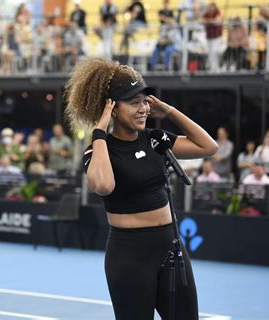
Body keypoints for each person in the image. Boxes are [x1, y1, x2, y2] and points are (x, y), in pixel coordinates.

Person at [64, 57, 218, 319]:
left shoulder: (156, 139)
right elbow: (103, 185)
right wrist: (99, 132)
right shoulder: (98, 150)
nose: (143, 109)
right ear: (112, 108)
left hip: (171, 247)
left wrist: (169, 111)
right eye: (134, 103)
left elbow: (208, 147)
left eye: (145, 102)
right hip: (129, 256)